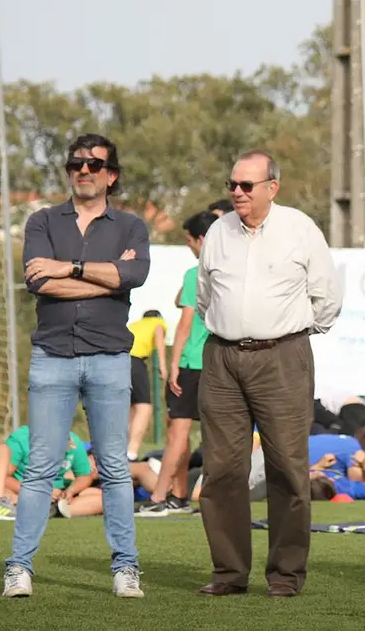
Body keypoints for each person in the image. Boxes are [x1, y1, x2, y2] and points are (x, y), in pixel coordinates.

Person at [3, 133, 151, 599]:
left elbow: (135, 276)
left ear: (112, 175)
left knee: (115, 468)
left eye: (94, 164)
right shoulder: (42, 220)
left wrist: (69, 268)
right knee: (40, 469)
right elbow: (39, 282)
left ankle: (126, 568)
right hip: (52, 358)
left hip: (109, 358)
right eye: (76, 164)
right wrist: (104, 276)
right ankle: (18, 568)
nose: (83, 170)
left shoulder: (131, 226)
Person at [195, 150, 342, 597]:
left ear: (272, 187)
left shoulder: (300, 229)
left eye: (246, 186)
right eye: (232, 185)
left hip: (283, 357)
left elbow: (327, 298)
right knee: (220, 471)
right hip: (221, 359)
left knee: (288, 470)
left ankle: (285, 575)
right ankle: (229, 573)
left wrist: (286, 335)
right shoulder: (218, 232)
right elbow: (205, 297)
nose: (237, 192)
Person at [137, 210, 218, 517]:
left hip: (191, 363)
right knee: (210, 436)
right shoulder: (225, 272)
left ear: (201, 240)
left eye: (188, 240)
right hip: (216, 364)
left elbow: (184, 323)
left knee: (177, 434)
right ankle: (182, 495)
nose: (188, 246)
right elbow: (179, 300)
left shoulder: (194, 272)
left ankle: (158, 498)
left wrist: (172, 364)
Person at [126, 310, 168, 462]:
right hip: (134, 361)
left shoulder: (134, 325)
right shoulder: (158, 323)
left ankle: (123, 449)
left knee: (131, 408)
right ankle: (132, 452)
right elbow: (160, 341)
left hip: (118, 360)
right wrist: (163, 367)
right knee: (144, 407)